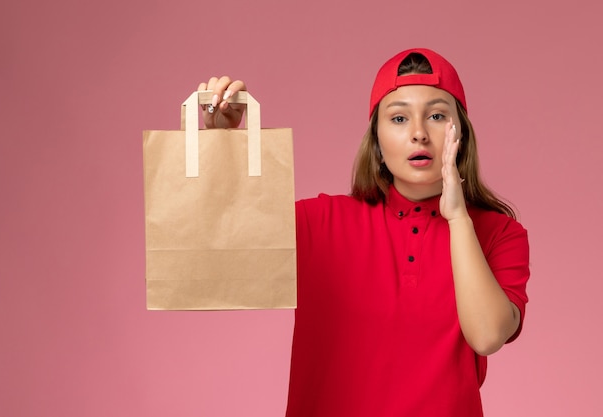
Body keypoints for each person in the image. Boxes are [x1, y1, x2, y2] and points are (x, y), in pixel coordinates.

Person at [198, 48, 530, 417]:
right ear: (376, 139)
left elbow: (486, 336)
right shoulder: (319, 223)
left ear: (461, 133)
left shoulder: (499, 234)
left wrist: (457, 217)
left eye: (437, 115)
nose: (419, 133)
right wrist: (221, 143)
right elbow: (219, 244)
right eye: (399, 118)